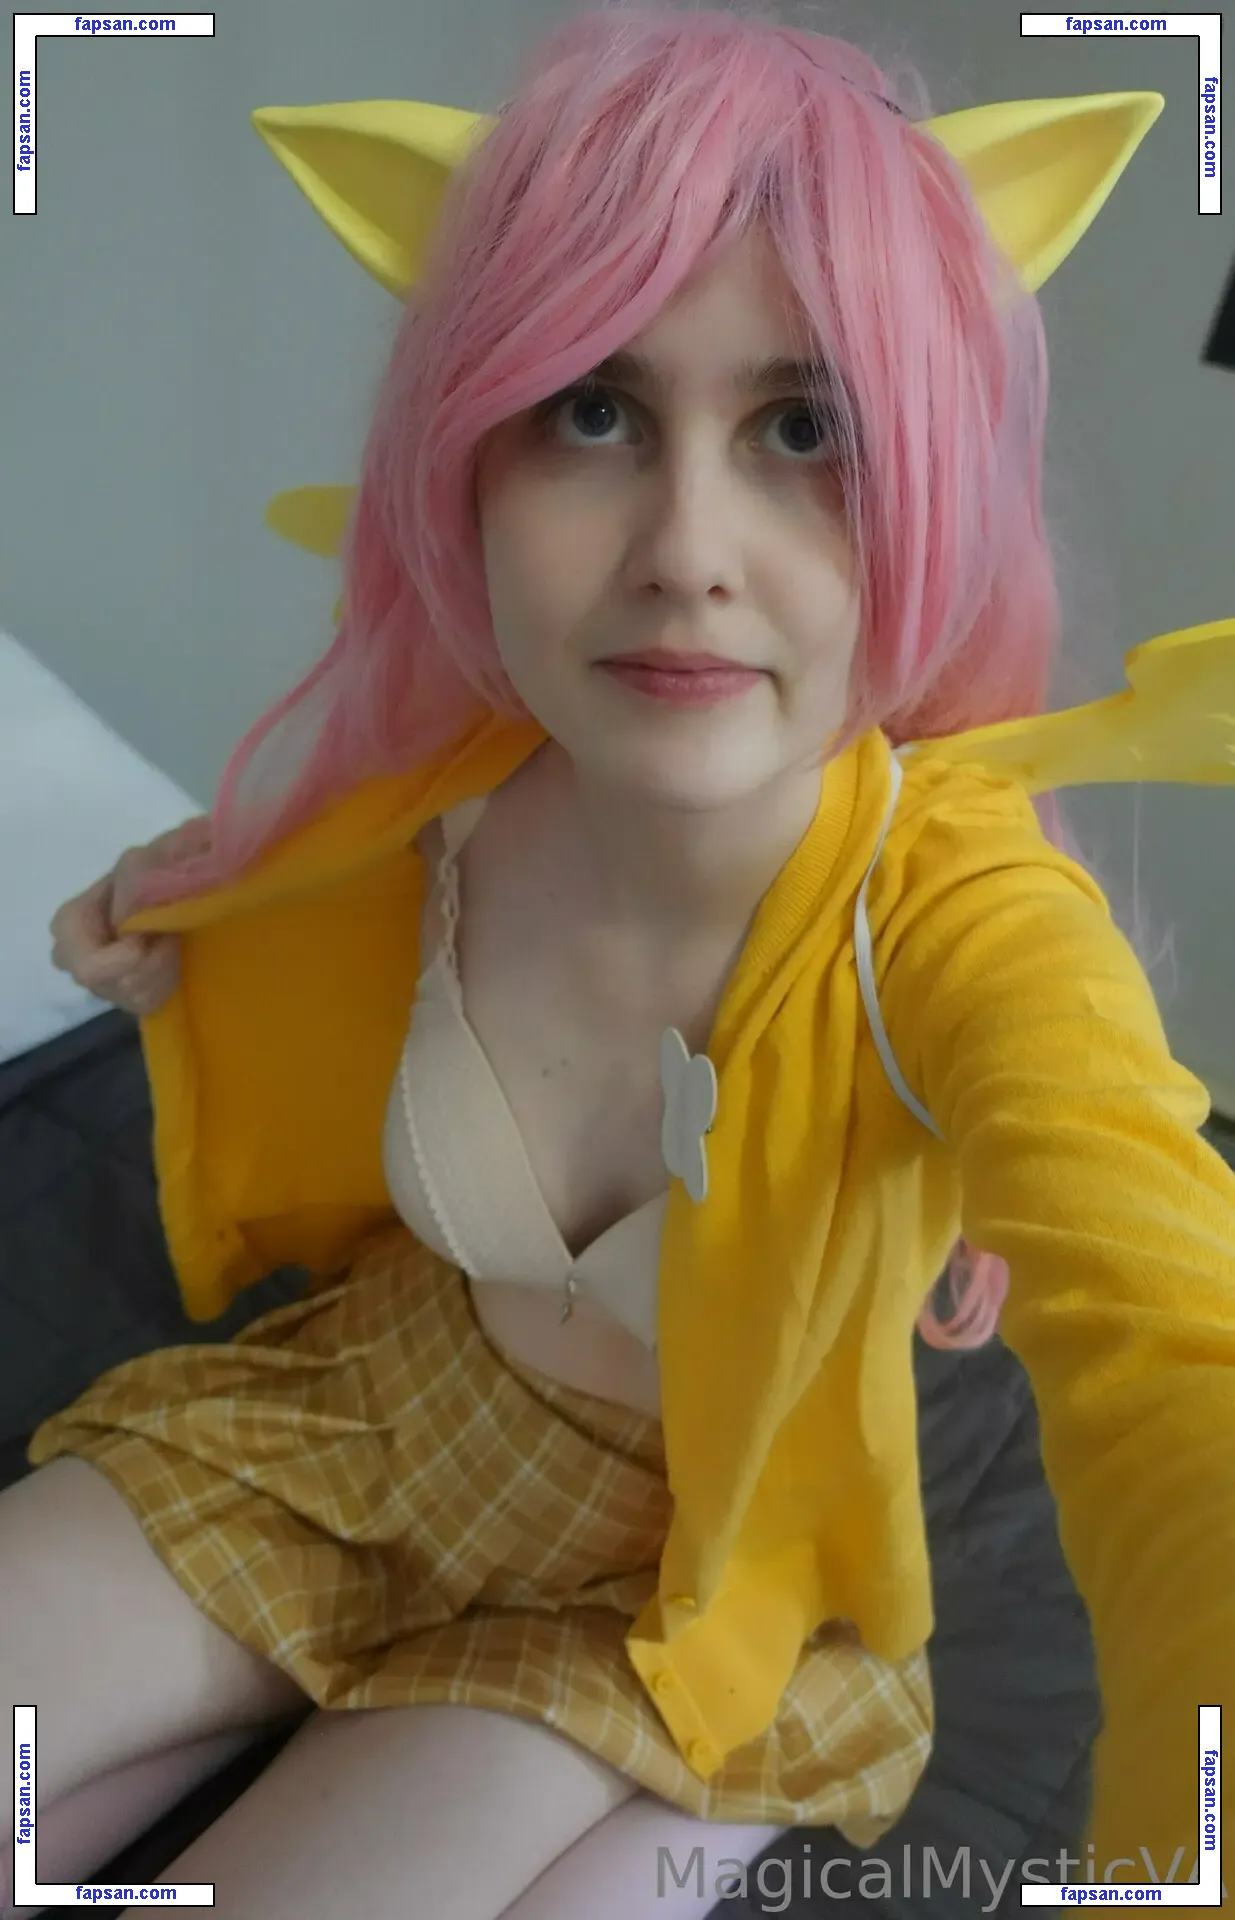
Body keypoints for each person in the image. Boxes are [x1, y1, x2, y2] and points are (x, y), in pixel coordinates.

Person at [6, 7, 1234, 1916]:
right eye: (592, 411)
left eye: (804, 430)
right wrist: (175, 907)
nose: (685, 550)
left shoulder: (960, 922)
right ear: (470, 459)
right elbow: (286, 880)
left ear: (932, 477)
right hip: (364, 1414)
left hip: (692, 1581)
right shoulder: (450, 788)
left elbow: (1172, 1341)